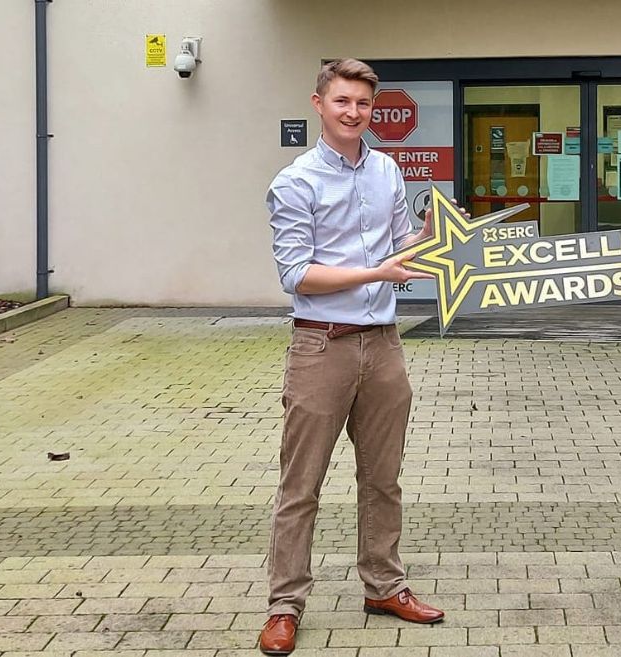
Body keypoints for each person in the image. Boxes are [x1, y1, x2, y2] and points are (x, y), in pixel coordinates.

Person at [260, 58, 447, 656]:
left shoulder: (387, 170)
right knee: (302, 484)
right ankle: (284, 605)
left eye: (363, 103)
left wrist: (437, 235)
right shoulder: (295, 182)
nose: (353, 112)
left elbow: (401, 248)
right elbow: (296, 274)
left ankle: (384, 586)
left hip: (384, 345)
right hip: (321, 346)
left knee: (383, 480)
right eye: (342, 100)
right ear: (319, 103)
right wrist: (378, 271)